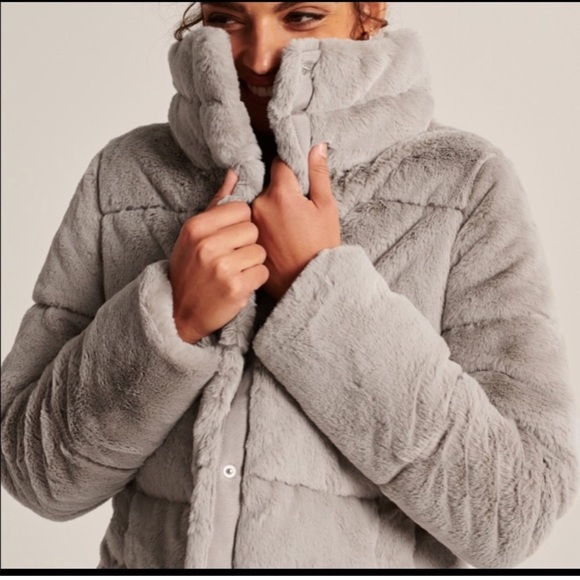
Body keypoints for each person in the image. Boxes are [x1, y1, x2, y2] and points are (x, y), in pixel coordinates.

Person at [1, 1, 578, 569]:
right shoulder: (127, 174)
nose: (259, 57)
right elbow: (36, 477)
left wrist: (319, 290)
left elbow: (516, 511)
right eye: (227, 19)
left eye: (301, 16)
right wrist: (171, 320)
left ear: (369, 13)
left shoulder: (464, 183)